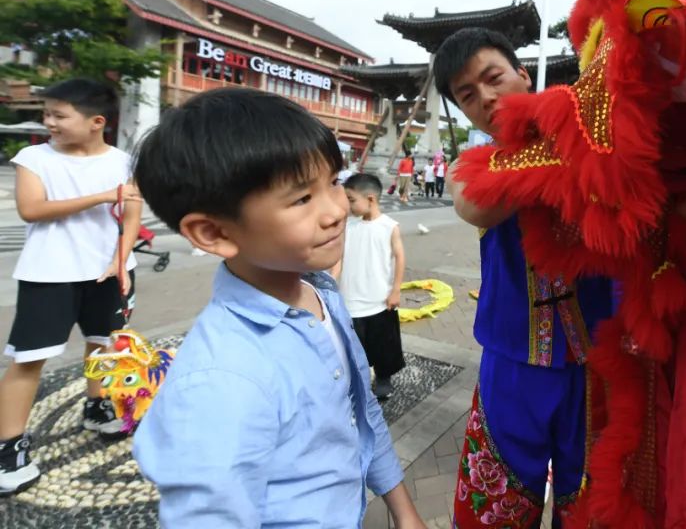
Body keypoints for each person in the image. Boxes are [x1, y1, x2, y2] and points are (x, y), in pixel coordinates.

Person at [130, 88, 425, 529]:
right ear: (213, 233)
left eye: (333, 182)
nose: (336, 211)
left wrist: (404, 511)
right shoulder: (223, 379)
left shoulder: (321, 293)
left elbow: (361, 411)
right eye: (302, 199)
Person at [435, 28, 614, 528]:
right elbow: (476, 206)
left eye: (493, 78)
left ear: (523, 74)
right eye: (468, 95)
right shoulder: (471, 165)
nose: (486, 98)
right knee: (495, 510)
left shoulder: (593, 134)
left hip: (599, 359)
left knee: (594, 506)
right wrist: (564, 148)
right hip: (513, 364)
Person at [0, 78, 141, 495]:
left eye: (59, 115)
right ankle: (9, 450)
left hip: (108, 272)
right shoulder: (34, 158)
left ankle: (98, 407)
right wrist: (102, 196)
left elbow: (132, 213)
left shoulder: (123, 162)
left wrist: (121, 259)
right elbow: (31, 209)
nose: (49, 122)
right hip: (49, 273)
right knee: (28, 359)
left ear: (96, 122)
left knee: (104, 344)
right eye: (47, 114)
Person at [338, 173, 406, 401]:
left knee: (383, 344)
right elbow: (338, 258)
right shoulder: (348, 226)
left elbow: (400, 257)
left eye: (351, 200)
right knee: (354, 345)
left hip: (379, 300)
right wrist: (331, 284)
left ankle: (384, 377)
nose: (348, 206)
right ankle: (356, 381)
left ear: (370, 199)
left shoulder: (389, 226)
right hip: (350, 299)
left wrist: (396, 290)